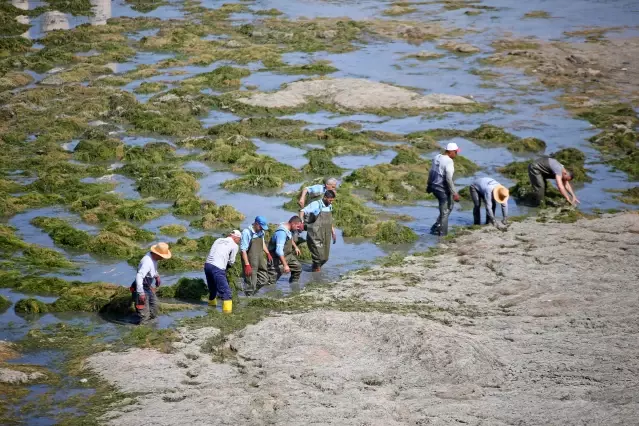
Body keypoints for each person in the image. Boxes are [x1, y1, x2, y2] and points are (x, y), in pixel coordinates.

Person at [131, 242, 171, 325]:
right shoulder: (147, 262)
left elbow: (153, 269)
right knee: (144, 315)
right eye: (162, 256)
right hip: (140, 288)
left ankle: (152, 327)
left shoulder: (154, 258)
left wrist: (157, 276)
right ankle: (141, 329)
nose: (163, 258)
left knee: (154, 308)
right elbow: (139, 276)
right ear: (157, 254)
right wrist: (141, 293)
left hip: (148, 287)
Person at [427, 142, 461, 237]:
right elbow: (448, 179)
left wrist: (429, 185)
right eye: (455, 152)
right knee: (445, 211)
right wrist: (454, 193)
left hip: (434, 187)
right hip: (441, 189)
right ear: (450, 152)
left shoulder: (436, 157)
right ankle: (442, 234)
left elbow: (431, 171)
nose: (456, 154)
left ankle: (437, 225)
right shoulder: (449, 161)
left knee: (450, 206)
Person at [204, 230, 241, 314]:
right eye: (239, 240)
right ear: (236, 238)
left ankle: (211, 309)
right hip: (217, 267)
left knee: (212, 289)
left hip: (207, 265)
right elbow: (231, 261)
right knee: (226, 292)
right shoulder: (234, 246)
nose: (239, 242)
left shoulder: (218, 240)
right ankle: (227, 314)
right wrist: (228, 267)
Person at [300, 190, 336, 272]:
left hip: (326, 234)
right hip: (315, 234)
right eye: (330, 200)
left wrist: (333, 232)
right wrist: (301, 222)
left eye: (332, 200)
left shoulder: (329, 206)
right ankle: (315, 273)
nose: (331, 202)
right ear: (325, 197)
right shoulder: (316, 204)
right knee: (318, 257)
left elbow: (330, 221)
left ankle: (315, 269)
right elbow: (302, 211)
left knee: (325, 258)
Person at [240, 216, 272, 296]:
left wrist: (268, 253)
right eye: (261, 227)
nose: (262, 229)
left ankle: (252, 292)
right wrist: (247, 265)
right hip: (250, 261)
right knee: (250, 282)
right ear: (256, 224)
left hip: (260, 258)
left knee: (264, 279)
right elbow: (243, 250)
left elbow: (263, 243)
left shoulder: (261, 232)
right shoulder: (247, 232)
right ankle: (248, 297)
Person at [268, 216, 305, 285]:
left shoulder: (288, 228)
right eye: (297, 226)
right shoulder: (281, 233)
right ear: (293, 224)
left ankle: (293, 284)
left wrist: (295, 247)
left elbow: (289, 238)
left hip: (288, 255)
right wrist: (285, 265)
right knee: (271, 281)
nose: (298, 228)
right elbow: (278, 251)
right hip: (278, 258)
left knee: (298, 267)